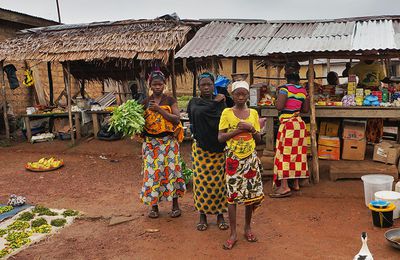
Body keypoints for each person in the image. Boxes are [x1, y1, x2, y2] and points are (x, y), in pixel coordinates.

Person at [218, 81, 264, 250]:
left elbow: (259, 140)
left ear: (247, 96)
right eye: (237, 94)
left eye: (244, 94)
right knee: (232, 197)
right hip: (233, 160)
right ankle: (233, 233)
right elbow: (220, 138)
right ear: (232, 95)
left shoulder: (253, 113)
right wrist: (238, 130)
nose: (240, 97)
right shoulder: (226, 112)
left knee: (249, 196)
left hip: (250, 159)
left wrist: (251, 129)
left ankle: (247, 228)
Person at [139, 70, 186, 218]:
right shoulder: (145, 102)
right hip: (151, 144)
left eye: (160, 84)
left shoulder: (170, 100)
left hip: (168, 144)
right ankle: (154, 207)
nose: (158, 87)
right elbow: (140, 122)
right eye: (155, 84)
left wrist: (159, 110)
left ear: (164, 85)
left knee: (171, 173)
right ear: (150, 85)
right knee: (152, 175)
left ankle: (175, 205)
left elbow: (177, 119)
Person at [187, 72, 229, 231]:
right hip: (201, 149)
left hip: (219, 148)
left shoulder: (222, 103)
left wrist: (222, 99)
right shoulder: (194, 102)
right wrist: (215, 103)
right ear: (198, 87)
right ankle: (202, 216)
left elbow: (227, 120)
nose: (206, 87)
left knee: (220, 184)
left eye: (209, 84)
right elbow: (197, 115)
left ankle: (220, 216)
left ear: (214, 86)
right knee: (201, 183)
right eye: (203, 85)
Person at [270, 71, 310, 198]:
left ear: (287, 79)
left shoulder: (285, 89)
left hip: (288, 125)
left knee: (284, 155)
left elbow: (279, 106)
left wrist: (276, 99)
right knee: (297, 155)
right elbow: (305, 110)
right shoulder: (303, 91)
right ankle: (296, 183)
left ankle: (284, 186)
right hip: (299, 125)